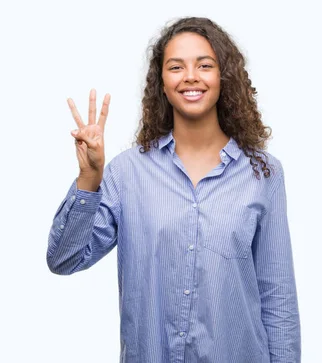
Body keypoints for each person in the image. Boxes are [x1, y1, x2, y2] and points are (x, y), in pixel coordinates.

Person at [46, 17, 301, 363]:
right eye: (176, 66)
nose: (191, 76)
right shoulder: (127, 173)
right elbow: (64, 259)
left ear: (223, 78)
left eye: (205, 65)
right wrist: (89, 178)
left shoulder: (262, 174)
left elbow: (277, 297)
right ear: (162, 84)